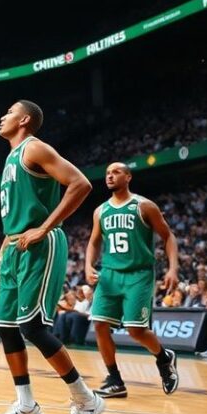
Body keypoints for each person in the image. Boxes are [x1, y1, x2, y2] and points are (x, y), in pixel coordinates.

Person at [0, 100, 104, 414]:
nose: (2, 115)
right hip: (14, 248)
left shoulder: (34, 147)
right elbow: (16, 213)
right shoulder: (11, 157)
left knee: (33, 327)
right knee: (6, 328)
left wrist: (45, 227)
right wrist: (1, 250)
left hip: (42, 244)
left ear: (24, 120)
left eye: (8, 111)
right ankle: (26, 406)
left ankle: (86, 399)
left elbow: (80, 183)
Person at [86, 162, 180, 397]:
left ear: (128, 177)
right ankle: (115, 380)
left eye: (116, 172)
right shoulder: (101, 211)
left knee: (135, 330)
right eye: (107, 172)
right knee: (99, 324)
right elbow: (95, 241)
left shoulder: (144, 206)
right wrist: (88, 265)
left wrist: (173, 269)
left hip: (139, 274)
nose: (110, 176)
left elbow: (168, 237)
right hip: (109, 274)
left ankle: (164, 358)